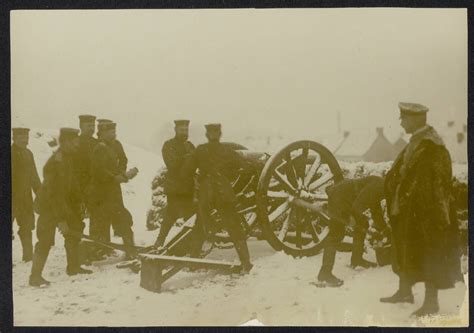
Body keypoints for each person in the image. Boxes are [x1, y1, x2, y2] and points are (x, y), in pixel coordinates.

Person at [380, 102, 461, 317]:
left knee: (429, 254)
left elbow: (438, 182)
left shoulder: (432, 146)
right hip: (409, 210)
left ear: (416, 119)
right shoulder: (416, 142)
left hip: (427, 213)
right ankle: (405, 292)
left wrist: (430, 213)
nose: (400, 122)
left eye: (403, 118)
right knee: (406, 250)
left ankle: (431, 303)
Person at [183, 123, 254, 273]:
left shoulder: (200, 150)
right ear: (219, 134)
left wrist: (199, 180)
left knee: (200, 226)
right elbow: (245, 168)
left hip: (206, 193)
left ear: (207, 135)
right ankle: (246, 262)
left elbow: (187, 170)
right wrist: (228, 177)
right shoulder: (227, 150)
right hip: (223, 192)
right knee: (234, 226)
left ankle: (193, 262)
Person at [29, 128, 92, 287]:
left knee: (75, 230)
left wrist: (80, 202)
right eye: (74, 141)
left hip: (63, 203)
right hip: (49, 206)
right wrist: (61, 219)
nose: (77, 144)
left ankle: (73, 267)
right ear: (65, 142)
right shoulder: (54, 163)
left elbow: (73, 184)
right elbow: (54, 194)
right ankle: (35, 277)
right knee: (45, 240)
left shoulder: (68, 158)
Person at [315, 176, 387, 287]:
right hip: (339, 197)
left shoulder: (381, 186)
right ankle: (325, 273)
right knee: (336, 234)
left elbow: (375, 210)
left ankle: (357, 259)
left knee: (362, 223)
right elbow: (357, 206)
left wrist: (385, 229)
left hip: (345, 197)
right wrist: (350, 220)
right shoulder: (379, 186)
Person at [88, 121, 136, 258]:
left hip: (112, 191)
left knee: (122, 218)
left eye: (114, 131)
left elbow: (121, 161)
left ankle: (129, 250)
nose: (114, 134)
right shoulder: (100, 148)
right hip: (101, 193)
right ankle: (99, 251)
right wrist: (116, 178)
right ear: (102, 133)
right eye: (111, 132)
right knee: (101, 222)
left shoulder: (113, 146)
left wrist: (122, 174)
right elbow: (98, 170)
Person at [154, 120, 196, 248]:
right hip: (175, 187)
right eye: (182, 130)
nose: (184, 133)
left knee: (191, 217)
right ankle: (159, 241)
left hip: (189, 187)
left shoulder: (190, 145)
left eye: (186, 130)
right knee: (171, 215)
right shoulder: (168, 145)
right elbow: (172, 164)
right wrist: (188, 158)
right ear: (176, 130)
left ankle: (189, 245)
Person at [12, 127, 41, 262]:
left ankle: (28, 256)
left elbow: (34, 176)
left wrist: (40, 193)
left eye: (26, 137)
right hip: (11, 199)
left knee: (27, 226)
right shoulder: (9, 153)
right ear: (14, 138)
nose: (25, 140)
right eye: (21, 137)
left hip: (25, 197)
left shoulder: (29, 153)